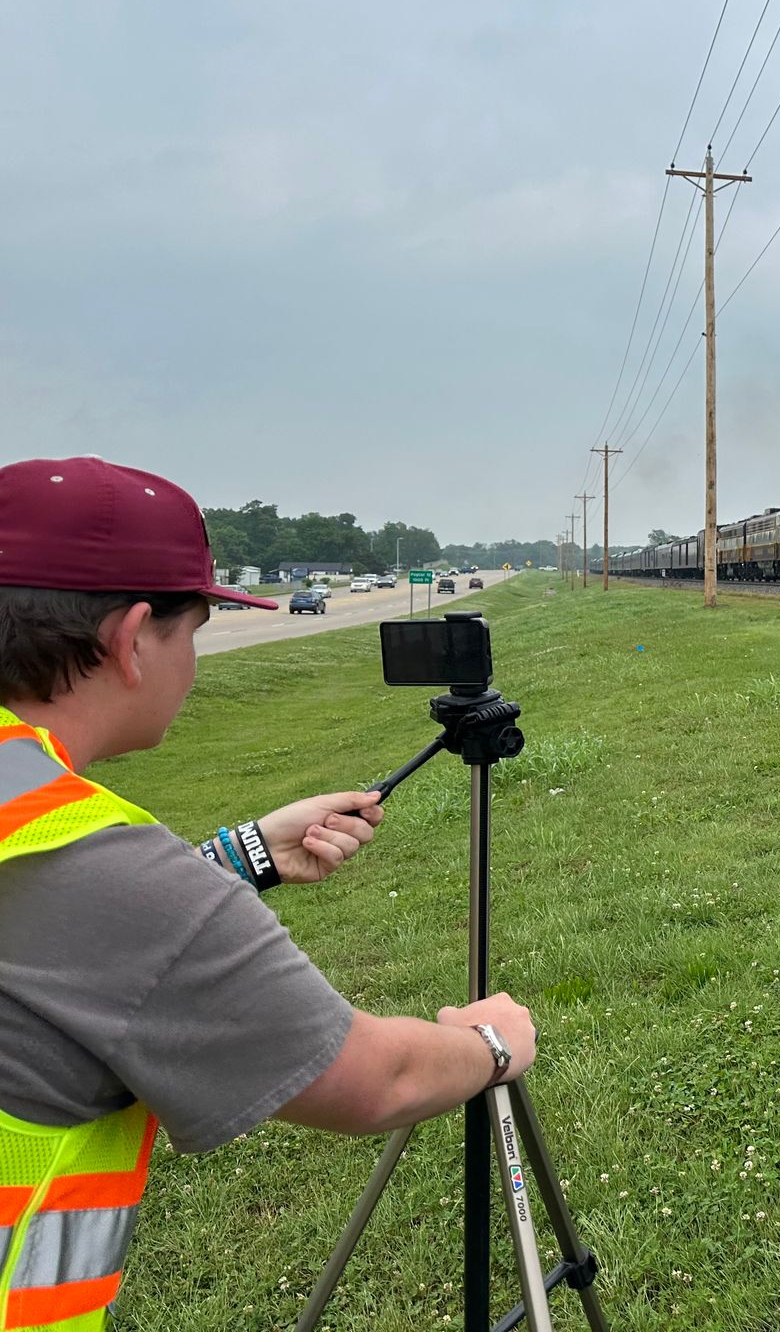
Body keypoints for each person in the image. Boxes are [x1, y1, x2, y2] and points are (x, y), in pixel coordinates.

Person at [0, 456, 538, 1330]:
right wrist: (492, 1044)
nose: (194, 663)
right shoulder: (109, 875)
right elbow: (376, 1080)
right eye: (195, 634)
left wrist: (242, 854)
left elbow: (60, 945)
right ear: (131, 638)